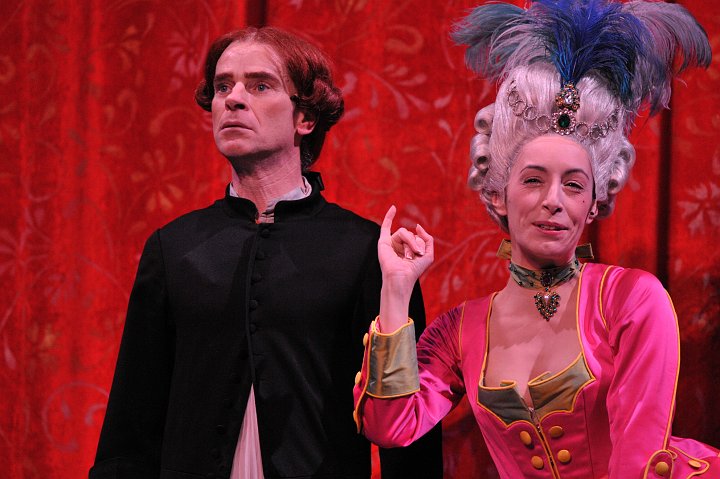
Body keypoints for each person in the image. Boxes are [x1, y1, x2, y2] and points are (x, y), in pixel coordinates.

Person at [352, 1, 719, 477]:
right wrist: (396, 290)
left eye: (574, 185)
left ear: (593, 204)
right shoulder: (459, 331)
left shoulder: (631, 300)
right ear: (498, 194)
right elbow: (390, 426)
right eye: (532, 180)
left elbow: (638, 459)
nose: (553, 201)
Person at [89, 27, 441, 479]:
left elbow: (409, 433)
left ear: (305, 118)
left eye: (259, 86)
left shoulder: (365, 251)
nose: (233, 99)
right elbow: (132, 424)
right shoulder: (174, 247)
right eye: (222, 87)